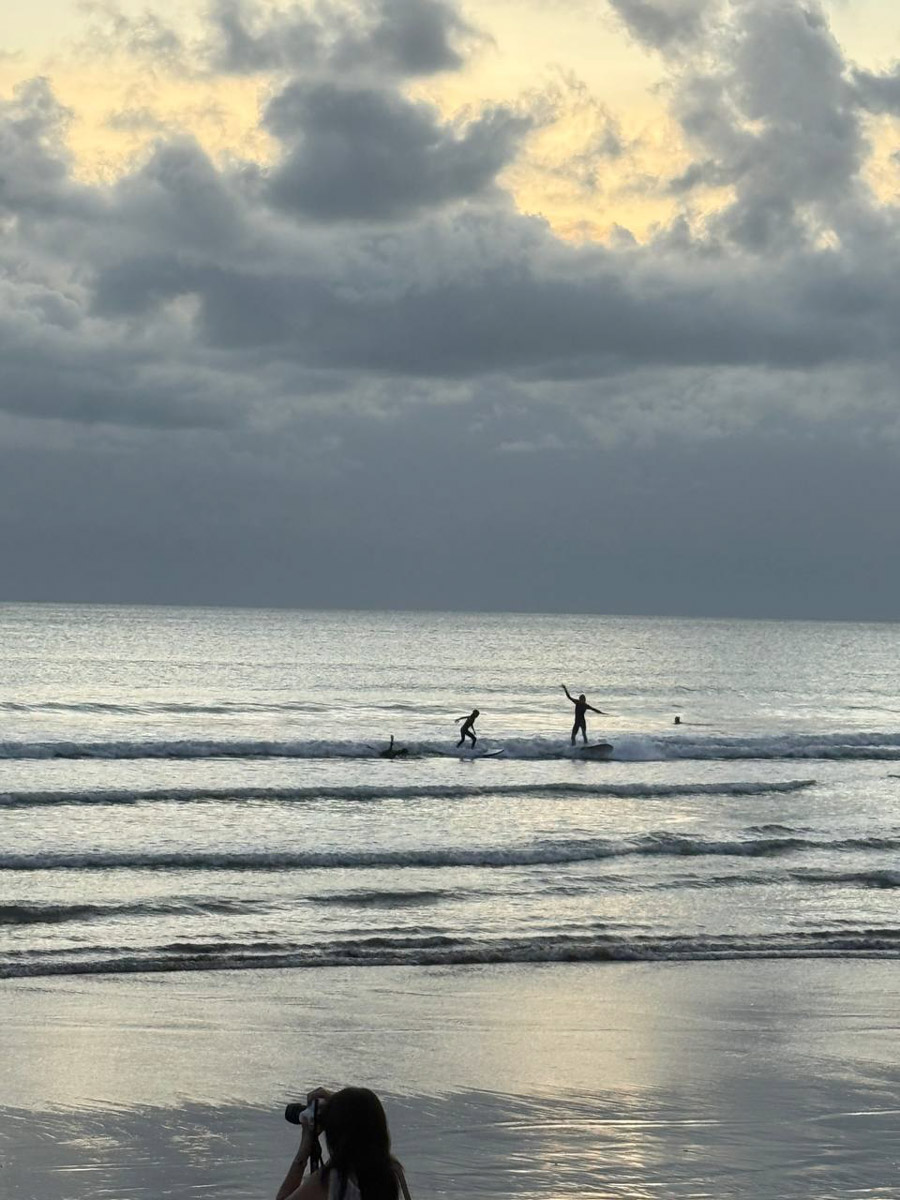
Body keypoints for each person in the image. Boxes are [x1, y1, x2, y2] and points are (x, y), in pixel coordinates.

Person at [276, 1086, 411, 1200]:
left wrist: (305, 1146)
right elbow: (361, 1123)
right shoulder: (391, 1171)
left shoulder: (331, 1181)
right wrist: (339, 1106)